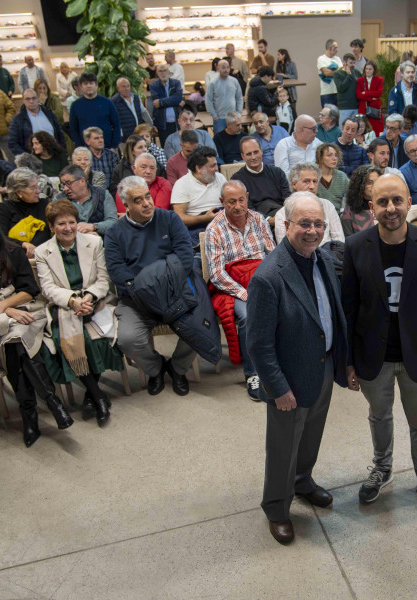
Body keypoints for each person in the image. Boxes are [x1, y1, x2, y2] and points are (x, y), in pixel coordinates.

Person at [342, 172, 417, 521]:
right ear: (371, 206)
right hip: (373, 357)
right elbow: (348, 309)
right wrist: (347, 363)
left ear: (408, 202)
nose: (390, 208)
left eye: (397, 200)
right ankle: (382, 468)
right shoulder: (356, 246)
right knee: (379, 416)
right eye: (382, 202)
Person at [245, 191, 347, 545]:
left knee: (311, 435)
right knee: (283, 446)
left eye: (319, 223)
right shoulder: (268, 277)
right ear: (286, 225)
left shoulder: (320, 259)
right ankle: (276, 507)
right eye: (304, 223)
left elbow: (333, 314)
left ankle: (302, 481)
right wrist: (277, 388)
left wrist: (342, 364)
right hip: (289, 380)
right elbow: (259, 343)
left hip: (323, 368)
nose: (313, 230)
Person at [0, 210, 72, 446]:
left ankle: (29, 413)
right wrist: (8, 310)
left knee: (15, 342)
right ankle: (52, 403)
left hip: (29, 312)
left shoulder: (13, 253)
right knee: (13, 343)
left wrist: (2, 304)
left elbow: (29, 289)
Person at [105, 176, 195, 395]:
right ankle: (156, 369)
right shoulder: (114, 233)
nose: (146, 203)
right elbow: (117, 270)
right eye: (138, 200)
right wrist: (143, 289)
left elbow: (185, 256)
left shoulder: (170, 219)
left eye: (148, 196)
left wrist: (164, 285)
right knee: (127, 339)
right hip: (137, 299)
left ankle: (177, 368)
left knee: (198, 327)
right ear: (125, 205)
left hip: (173, 292)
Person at [35, 199, 121, 427]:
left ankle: (89, 397)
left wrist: (89, 297)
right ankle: (99, 397)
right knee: (69, 340)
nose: (68, 228)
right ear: (51, 227)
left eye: (72, 222)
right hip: (65, 307)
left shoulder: (94, 242)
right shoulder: (42, 251)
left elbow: (103, 279)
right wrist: (73, 301)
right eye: (61, 223)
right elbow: (48, 288)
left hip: (95, 300)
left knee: (101, 337)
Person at [205, 180, 275, 397]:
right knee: (247, 315)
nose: (237, 206)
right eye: (231, 201)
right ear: (222, 202)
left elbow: (272, 255)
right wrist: (246, 294)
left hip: (261, 278)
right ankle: (252, 373)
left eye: (241, 200)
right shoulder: (214, 229)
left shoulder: (259, 219)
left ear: (247, 196)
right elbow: (217, 275)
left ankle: (278, 363)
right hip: (233, 285)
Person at [272, 162, 344, 246]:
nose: (312, 186)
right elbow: (284, 247)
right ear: (294, 184)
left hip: (329, 256)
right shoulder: (282, 214)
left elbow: (339, 240)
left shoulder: (328, 206)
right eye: (306, 181)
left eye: (315, 181)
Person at [171, 146, 225, 250]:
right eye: (212, 166)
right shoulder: (182, 184)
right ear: (199, 168)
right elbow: (179, 218)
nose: (217, 168)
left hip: (222, 220)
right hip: (198, 227)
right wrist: (205, 218)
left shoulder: (220, 178)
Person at [0, 167, 50, 258]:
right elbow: (0, 237)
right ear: (19, 192)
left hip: (45, 255)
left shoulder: (44, 204)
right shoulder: (4, 208)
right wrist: (23, 244)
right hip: (16, 257)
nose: (38, 191)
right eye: (33, 188)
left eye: (37, 186)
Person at [231, 136, 290, 220]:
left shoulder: (277, 172)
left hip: (282, 214)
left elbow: (287, 198)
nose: (253, 157)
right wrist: (268, 219)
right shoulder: (237, 180)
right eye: (248, 154)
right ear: (242, 156)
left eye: (256, 152)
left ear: (261, 151)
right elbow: (246, 208)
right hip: (256, 220)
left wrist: (283, 216)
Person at [56, 164, 118, 235]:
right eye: (63, 185)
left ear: (82, 181)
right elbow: (56, 227)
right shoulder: (59, 201)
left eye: (68, 183)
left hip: (102, 240)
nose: (65, 189)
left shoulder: (103, 195)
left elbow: (113, 222)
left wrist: (93, 227)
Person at [7, 88, 66, 158]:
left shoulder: (49, 113)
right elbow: (12, 143)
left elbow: (60, 133)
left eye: (34, 98)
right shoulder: (17, 119)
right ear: (23, 100)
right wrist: (27, 158)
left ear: (38, 98)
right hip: (33, 158)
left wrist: (62, 150)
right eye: (27, 99)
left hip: (54, 154)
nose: (31, 101)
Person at [68, 72, 120, 149]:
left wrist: (114, 146)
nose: (89, 86)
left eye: (91, 83)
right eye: (85, 84)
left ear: (96, 85)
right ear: (81, 87)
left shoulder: (107, 103)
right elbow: (73, 129)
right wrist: (80, 147)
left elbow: (117, 125)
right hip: (86, 150)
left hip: (107, 148)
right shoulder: (75, 106)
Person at [110, 134, 158, 198]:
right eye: (140, 147)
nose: (145, 150)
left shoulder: (155, 165)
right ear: (132, 151)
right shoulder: (120, 169)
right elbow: (115, 192)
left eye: (145, 146)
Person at [205, 60, 243, 137]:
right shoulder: (213, 83)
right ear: (218, 68)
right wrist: (214, 115)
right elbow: (208, 100)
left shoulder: (234, 81)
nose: (225, 70)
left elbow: (239, 98)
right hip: (219, 118)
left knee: (235, 138)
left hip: (233, 117)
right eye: (223, 68)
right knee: (220, 139)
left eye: (227, 67)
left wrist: (238, 113)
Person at [147, 66, 184, 145]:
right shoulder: (153, 85)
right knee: (166, 146)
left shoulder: (176, 83)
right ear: (157, 73)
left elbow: (178, 98)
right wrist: (174, 101)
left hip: (177, 122)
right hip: (162, 123)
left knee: (179, 145)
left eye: (165, 70)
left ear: (168, 72)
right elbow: (156, 103)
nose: (163, 73)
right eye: (160, 71)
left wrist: (161, 102)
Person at [341, 164, 379, 235]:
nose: (374, 186)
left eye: (377, 182)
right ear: (359, 185)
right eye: (369, 183)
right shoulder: (349, 211)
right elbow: (349, 241)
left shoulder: (386, 207)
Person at [112, 76, 151, 144]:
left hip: (139, 135)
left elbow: (143, 112)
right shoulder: (114, 101)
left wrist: (151, 125)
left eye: (128, 86)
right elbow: (113, 120)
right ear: (118, 88)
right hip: (125, 138)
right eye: (123, 87)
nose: (126, 89)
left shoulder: (136, 97)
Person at [314, 143, 349, 212]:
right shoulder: (313, 176)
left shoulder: (342, 177)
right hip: (316, 215)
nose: (334, 158)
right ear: (320, 158)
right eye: (329, 155)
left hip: (338, 217)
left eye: (336, 155)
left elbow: (353, 195)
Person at [333, 54, 362, 125]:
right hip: (344, 107)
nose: (353, 65)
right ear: (344, 63)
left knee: (355, 128)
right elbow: (341, 88)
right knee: (344, 128)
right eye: (350, 63)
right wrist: (349, 75)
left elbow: (361, 86)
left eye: (354, 63)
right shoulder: (337, 73)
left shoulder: (357, 72)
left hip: (356, 106)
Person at [317, 39, 341, 107]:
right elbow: (326, 73)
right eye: (336, 47)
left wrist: (331, 71)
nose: (337, 49)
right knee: (327, 115)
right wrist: (337, 70)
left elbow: (342, 72)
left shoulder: (337, 59)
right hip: (326, 93)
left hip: (337, 92)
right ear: (330, 48)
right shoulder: (321, 59)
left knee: (338, 115)